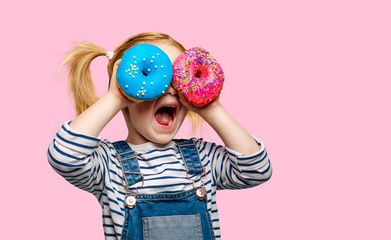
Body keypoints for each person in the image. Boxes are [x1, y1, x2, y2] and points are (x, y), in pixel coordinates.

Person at [48, 32, 272, 240]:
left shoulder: (203, 158)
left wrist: (212, 109)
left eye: (178, 79)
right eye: (155, 76)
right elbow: (64, 156)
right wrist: (114, 97)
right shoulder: (109, 164)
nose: (171, 89)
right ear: (126, 89)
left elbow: (256, 170)